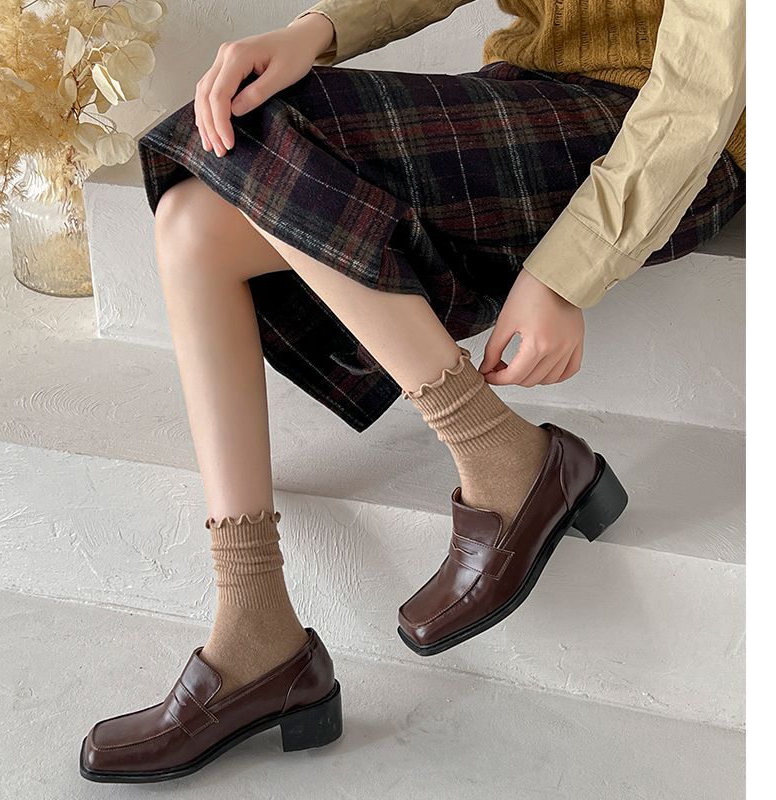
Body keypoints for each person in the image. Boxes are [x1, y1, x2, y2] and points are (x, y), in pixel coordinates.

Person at [79, 0, 745, 783]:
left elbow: (700, 88)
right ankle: (253, 622)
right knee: (192, 216)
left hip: (680, 139)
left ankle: (495, 449)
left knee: (258, 130)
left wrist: (567, 273)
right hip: (533, 95)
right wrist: (312, 33)